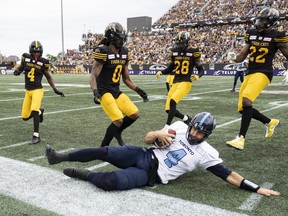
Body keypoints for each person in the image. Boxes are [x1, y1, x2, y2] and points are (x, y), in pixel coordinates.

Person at [45, 112, 280, 196]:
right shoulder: (178, 127)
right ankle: (60, 157)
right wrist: (158, 132)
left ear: (207, 135)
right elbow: (146, 138)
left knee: (110, 181)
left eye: (200, 132)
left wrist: (256, 187)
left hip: (151, 175)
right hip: (141, 154)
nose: (195, 133)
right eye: (194, 128)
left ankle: (84, 174)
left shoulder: (207, 153)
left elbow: (228, 175)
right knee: (102, 151)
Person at [226, 7, 288, 150]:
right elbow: (242, 55)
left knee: (247, 100)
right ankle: (269, 122)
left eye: (262, 20)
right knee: (242, 108)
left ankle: (240, 139)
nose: (259, 23)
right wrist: (234, 58)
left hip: (264, 72)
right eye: (259, 20)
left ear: (271, 22)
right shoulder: (252, 33)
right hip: (250, 72)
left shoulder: (278, 35)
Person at [89, 22, 149, 147]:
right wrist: (95, 92)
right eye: (118, 37)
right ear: (111, 37)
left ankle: (117, 132)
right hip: (103, 91)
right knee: (117, 120)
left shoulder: (124, 52)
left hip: (116, 91)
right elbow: (93, 76)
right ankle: (103, 148)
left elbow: (126, 79)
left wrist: (138, 90)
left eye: (122, 37)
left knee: (134, 114)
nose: (121, 39)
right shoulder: (103, 51)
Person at [13, 40, 65, 144]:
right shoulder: (25, 57)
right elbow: (21, 67)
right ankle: (40, 112)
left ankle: (36, 135)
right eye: (34, 52)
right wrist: (17, 71)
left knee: (34, 109)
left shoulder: (44, 62)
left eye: (38, 52)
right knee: (24, 117)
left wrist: (55, 89)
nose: (36, 54)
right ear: (30, 51)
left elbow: (48, 76)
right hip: (28, 91)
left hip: (37, 90)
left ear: (41, 51)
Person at [155, 31, 205, 127]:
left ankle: (167, 127)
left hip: (186, 82)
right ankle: (186, 118)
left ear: (186, 42)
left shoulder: (193, 51)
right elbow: (170, 68)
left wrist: (198, 75)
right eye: (178, 43)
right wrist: (161, 71)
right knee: (168, 109)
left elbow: (201, 69)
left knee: (173, 101)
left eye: (181, 43)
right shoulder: (174, 52)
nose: (179, 45)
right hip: (175, 81)